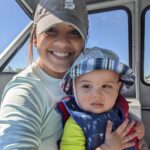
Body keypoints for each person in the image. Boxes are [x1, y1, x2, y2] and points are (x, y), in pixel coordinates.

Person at [0, 0, 147, 150]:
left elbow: (113, 109)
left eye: (74, 32)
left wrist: (132, 128)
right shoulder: (24, 93)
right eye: (51, 30)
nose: (62, 42)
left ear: (84, 41)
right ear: (35, 38)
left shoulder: (86, 75)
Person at [59, 47, 144, 150]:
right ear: (74, 89)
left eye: (106, 86)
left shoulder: (120, 110)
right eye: (86, 86)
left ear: (117, 89)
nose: (97, 95)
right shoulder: (76, 125)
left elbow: (129, 128)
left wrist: (137, 130)